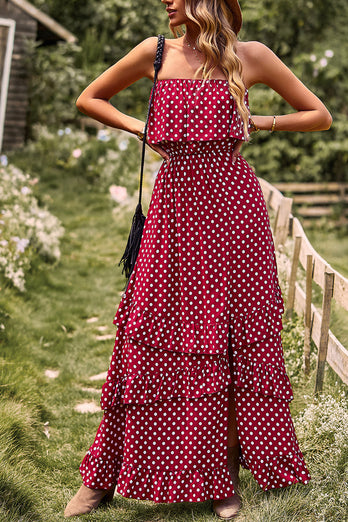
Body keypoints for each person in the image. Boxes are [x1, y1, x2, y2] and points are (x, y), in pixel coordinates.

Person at [64, 0, 332, 519]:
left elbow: (318, 115)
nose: (167, 1)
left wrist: (262, 120)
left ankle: (220, 476)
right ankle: (102, 477)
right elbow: (88, 98)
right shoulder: (154, 52)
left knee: (225, 339)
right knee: (151, 330)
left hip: (234, 211)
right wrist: (139, 127)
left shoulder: (249, 56)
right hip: (173, 209)